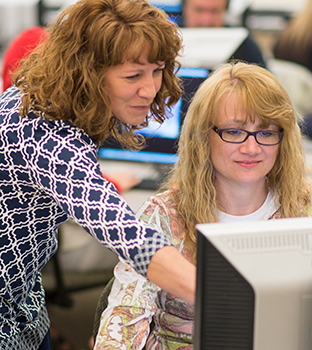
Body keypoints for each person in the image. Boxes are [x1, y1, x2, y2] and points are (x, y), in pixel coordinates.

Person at [93, 61, 312, 350]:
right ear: (203, 136)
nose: (251, 148)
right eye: (234, 131)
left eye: (267, 132)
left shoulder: (310, 209)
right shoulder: (163, 216)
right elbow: (124, 317)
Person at [0, 0, 197, 349]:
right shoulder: (46, 134)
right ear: (87, 74)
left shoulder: (43, 98)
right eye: (133, 75)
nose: (151, 89)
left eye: (157, 70)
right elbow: (129, 235)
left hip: (24, 296)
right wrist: (230, 298)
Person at [178, 0, 266, 68]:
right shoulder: (169, 39)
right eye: (199, 10)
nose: (206, 20)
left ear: (225, 10)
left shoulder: (243, 44)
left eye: (214, 11)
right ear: (185, 8)